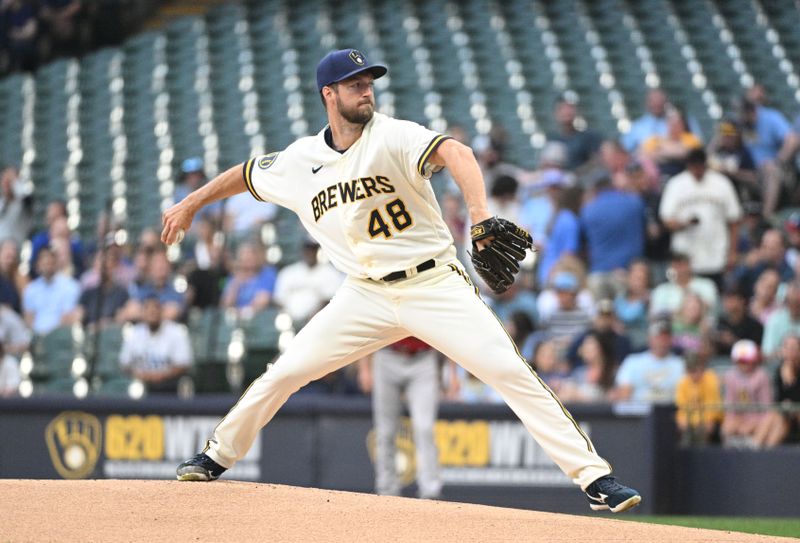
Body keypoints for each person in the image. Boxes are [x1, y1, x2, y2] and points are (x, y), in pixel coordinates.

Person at [164, 48, 641, 512]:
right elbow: (245, 175)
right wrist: (190, 204)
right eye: (355, 85)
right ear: (329, 94)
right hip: (363, 293)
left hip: (432, 284)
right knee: (287, 371)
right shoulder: (299, 160)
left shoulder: (392, 135)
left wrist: (478, 215)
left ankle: (595, 478)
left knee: (509, 372)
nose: (366, 91)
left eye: (369, 82)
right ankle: (216, 456)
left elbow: (455, 151)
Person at [357, 338, 442, 500]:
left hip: (423, 358)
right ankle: (387, 490)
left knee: (424, 428)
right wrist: (364, 367)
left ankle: (431, 492)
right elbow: (372, 327)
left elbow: (444, 328)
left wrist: (452, 374)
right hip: (387, 354)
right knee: (385, 431)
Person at [659, 147, 742, 290]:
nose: (697, 170)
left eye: (699, 166)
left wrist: (732, 252)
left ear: (705, 164)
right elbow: (666, 220)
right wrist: (683, 224)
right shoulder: (676, 184)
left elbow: (734, 219)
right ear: (688, 165)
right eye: (693, 166)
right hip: (685, 257)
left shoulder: (722, 183)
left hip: (716, 255)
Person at [580, 168, 645, 300]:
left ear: (595, 188)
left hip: (598, 273)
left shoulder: (588, 209)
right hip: (626, 272)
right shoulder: (633, 202)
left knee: (601, 317)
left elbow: (583, 241)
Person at [119, 296, 192, 394]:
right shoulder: (134, 333)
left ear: (161, 311)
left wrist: (161, 376)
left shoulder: (176, 331)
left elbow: (183, 364)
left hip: (169, 385)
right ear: (143, 313)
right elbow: (124, 364)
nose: (152, 314)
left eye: (155, 310)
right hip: (140, 384)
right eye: (148, 310)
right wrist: (140, 375)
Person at [612, 317, 685, 403]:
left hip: (670, 412)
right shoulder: (633, 362)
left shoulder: (680, 364)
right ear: (649, 339)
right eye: (658, 337)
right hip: (638, 413)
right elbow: (624, 393)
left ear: (671, 340)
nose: (662, 341)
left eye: (665, 338)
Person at [273, 238, 344, 327]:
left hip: (319, 321)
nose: (309, 253)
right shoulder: (288, 272)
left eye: (313, 250)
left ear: (318, 251)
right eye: (307, 250)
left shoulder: (330, 272)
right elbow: (279, 300)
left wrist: (317, 314)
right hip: (290, 323)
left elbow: (331, 299)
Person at [721, 339, 772, 447]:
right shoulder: (730, 376)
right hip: (739, 417)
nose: (744, 364)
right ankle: (730, 449)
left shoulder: (762, 376)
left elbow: (766, 407)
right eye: (741, 361)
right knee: (726, 427)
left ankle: (754, 447)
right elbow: (729, 406)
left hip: (758, 418)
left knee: (769, 420)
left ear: (754, 360)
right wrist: (737, 422)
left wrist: (752, 423)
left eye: (747, 361)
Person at [753, 334, 800, 447]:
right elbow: (779, 398)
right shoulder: (779, 370)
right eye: (787, 347)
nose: (790, 351)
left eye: (793, 348)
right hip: (785, 414)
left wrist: (790, 382)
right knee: (774, 416)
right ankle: (757, 447)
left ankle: (765, 452)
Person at [22, 246, 81, 335]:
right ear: (37, 264)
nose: (47, 263)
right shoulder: (30, 289)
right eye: (43, 261)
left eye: (50, 260)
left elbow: (68, 317)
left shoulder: (71, 286)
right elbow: (29, 318)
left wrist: (50, 336)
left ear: (56, 262)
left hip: (61, 336)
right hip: (36, 337)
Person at [674, 350, 723, 445]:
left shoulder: (710, 379)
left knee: (704, 427)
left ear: (702, 367)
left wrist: (700, 421)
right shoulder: (683, 382)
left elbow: (713, 408)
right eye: (690, 370)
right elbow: (681, 407)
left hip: (709, 419)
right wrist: (683, 420)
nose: (694, 374)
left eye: (695, 369)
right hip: (691, 418)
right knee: (683, 426)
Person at [714, 282, 763, 357]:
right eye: (726, 299)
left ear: (742, 301)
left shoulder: (755, 326)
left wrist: (733, 341)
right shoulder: (720, 323)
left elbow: (756, 352)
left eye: (732, 299)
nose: (728, 303)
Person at [0, 165, 32, 245]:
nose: (7, 185)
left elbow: (26, 197)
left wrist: (15, 180)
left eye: (10, 181)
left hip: (16, 249)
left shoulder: (23, 204)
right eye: (4, 180)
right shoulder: (1, 203)